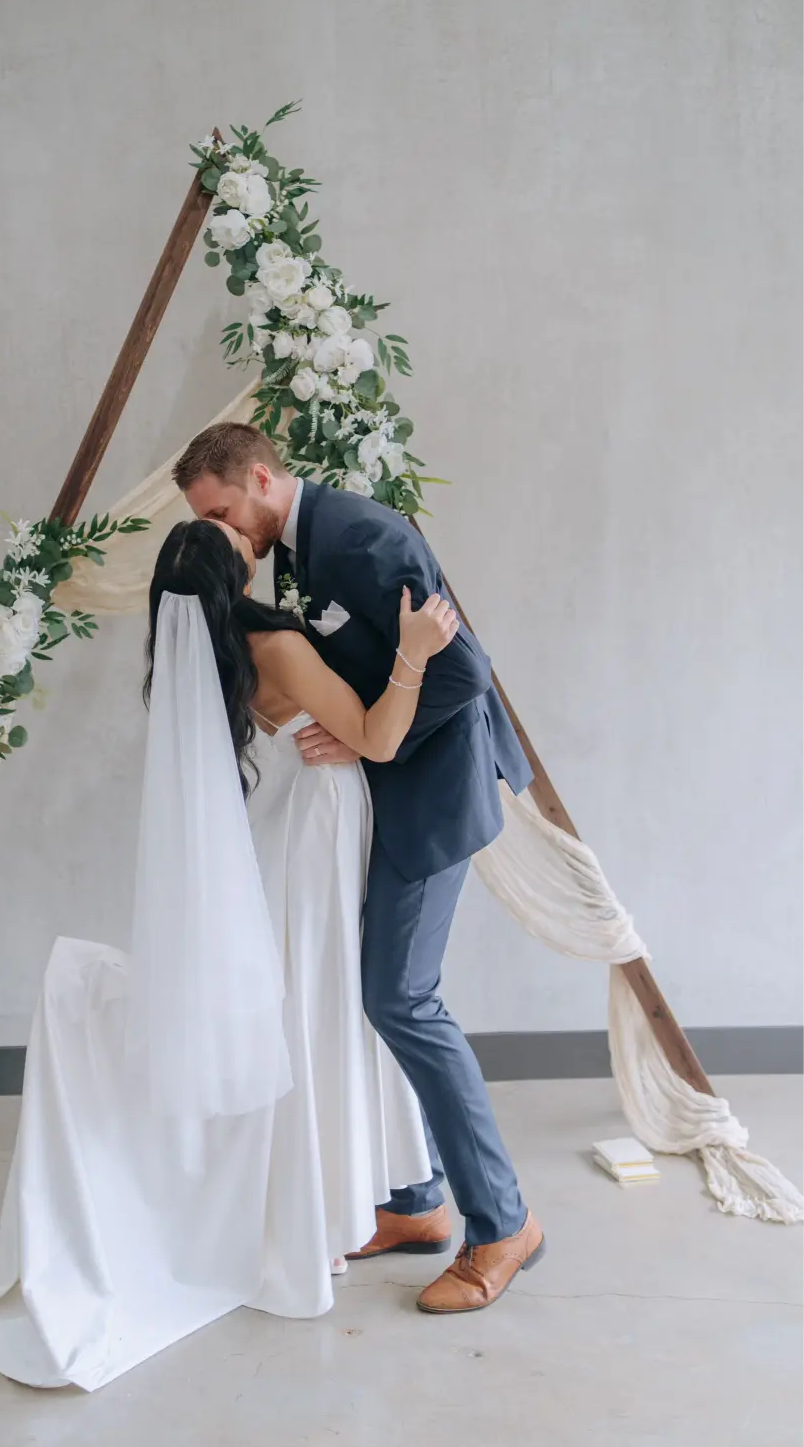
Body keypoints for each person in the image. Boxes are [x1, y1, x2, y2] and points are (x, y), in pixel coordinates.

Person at [0, 515, 461, 1389]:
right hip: (316, 827)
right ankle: (321, 1209)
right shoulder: (277, 645)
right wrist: (412, 653)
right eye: (241, 549)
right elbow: (377, 739)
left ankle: (316, 1203)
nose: (254, 550)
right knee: (321, 1000)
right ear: (235, 577)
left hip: (276, 827)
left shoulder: (199, 654)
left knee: (303, 999)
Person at [176, 423, 545, 1315]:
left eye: (222, 512)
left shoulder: (356, 538)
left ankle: (502, 1225)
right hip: (388, 795)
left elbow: (464, 670)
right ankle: (414, 1205)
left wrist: (366, 740)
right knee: (366, 989)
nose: (222, 532)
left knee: (400, 999)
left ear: (258, 477)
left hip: (430, 796)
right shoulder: (303, 547)